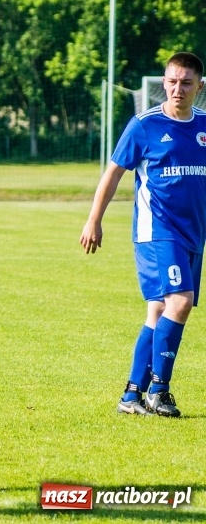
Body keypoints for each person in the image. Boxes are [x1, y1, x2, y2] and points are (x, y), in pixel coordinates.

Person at [80, 52, 206, 418]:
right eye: (172, 81)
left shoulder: (203, 125)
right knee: (180, 302)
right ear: (163, 82)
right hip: (157, 231)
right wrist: (94, 219)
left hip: (193, 234)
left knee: (159, 311)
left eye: (186, 83)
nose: (177, 89)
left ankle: (131, 394)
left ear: (199, 86)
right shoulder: (144, 125)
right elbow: (113, 174)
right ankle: (159, 392)